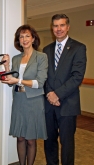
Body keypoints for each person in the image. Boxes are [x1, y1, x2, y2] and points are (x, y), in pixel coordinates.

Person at [43, 14, 87, 165]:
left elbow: (77, 77)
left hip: (67, 104)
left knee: (67, 144)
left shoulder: (78, 48)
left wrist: (57, 94)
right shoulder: (46, 49)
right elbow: (45, 75)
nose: (58, 29)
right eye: (55, 26)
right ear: (52, 28)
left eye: (62, 25)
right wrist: (50, 94)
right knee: (49, 142)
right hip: (49, 104)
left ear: (68, 27)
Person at [1, 24, 48, 165]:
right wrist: (7, 66)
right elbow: (11, 82)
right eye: (21, 37)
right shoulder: (16, 58)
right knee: (20, 138)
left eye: (27, 36)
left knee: (31, 139)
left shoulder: (41, 57)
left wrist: (19, 80)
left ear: (33, 39)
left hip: (34, 102)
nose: (24, 39)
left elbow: (39, 83)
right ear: (18, 41)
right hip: (19, 101)